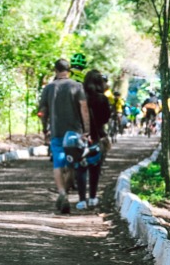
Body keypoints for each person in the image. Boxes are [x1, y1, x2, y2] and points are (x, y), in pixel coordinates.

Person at [37, 58, 89, 215]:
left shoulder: (49, 88)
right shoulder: (77, 86)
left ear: (55, 70)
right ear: (69, 70)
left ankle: (62, 193)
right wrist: (86, 131)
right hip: (74, 133)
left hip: (56, 132)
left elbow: (42, 111)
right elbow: (84, 109)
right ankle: (64, 191)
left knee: (58, 164)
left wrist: (44, 129)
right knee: (72, 164)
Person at [75, 70, 113, 209]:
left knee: (81, 167)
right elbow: (106, 118)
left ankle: (81, 200)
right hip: (97, 135)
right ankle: (92, 197)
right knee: (95, 167)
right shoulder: (102, 98)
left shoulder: (80, 97)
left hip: (81, 135)